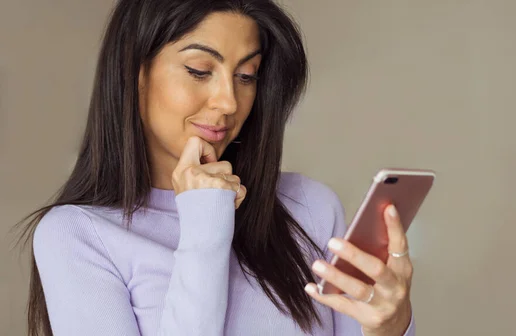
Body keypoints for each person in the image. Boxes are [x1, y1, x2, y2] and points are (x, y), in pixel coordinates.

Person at [17, 0, 415, 335]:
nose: (229, 101)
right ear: (135, 74)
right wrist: (206, 220)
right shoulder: (78, 235)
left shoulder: (309, 206)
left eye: (246, 76)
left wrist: (392, 325)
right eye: (199, 71)